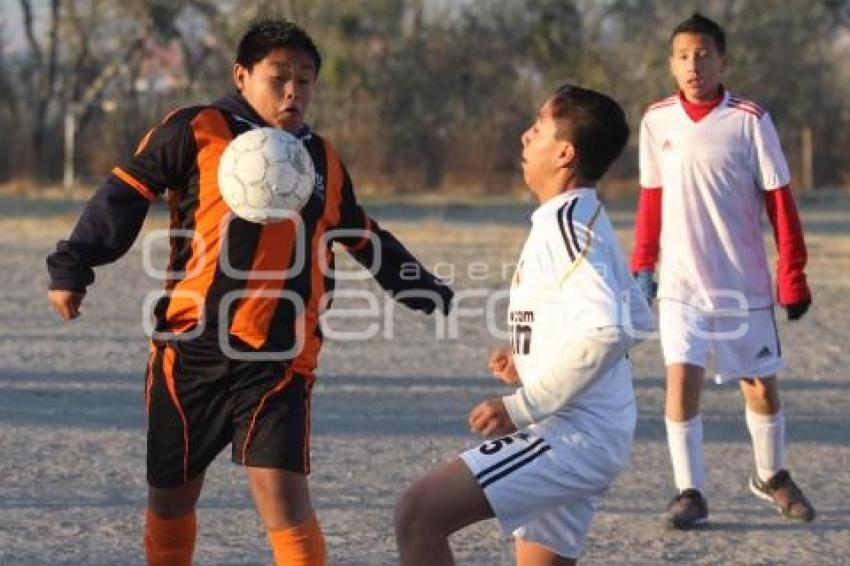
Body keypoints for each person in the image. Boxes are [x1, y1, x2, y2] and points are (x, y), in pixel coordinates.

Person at [46, 19, 453, 566]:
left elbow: (362, 235)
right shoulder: (197, 129)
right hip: (188, 351)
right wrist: (74, 264)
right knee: (170, 499)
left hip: (280, 359)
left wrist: (423, 289)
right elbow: (124, 192)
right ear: (242, 75)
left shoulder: (322, 159)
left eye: (305, 79)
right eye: (279, 76)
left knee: (283, 496)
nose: (293, 90)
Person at [394, 85, 654, 565]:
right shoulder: (583, 216)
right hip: (588, 430)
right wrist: (533, 356)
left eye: (537, 127)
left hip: (571, 434)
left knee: (418, 514)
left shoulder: (566, 225)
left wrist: (524, 403)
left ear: (564, 153)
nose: (524, 136)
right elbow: (636, 318)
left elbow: (610, 331)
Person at [630, 12, 815, 529]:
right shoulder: (655, 121)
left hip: (742, 283)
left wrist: (792, 274)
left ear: (724, 61)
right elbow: (650, 201)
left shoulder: (750, 119)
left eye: (704, 53)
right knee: (680, 379)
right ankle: (689, 491)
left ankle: (771, 476)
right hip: (681, 284)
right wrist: (643, 266)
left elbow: (780, 202)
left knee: (759, 384)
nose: (694, 64)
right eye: (684, 55)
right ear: (671, 64)